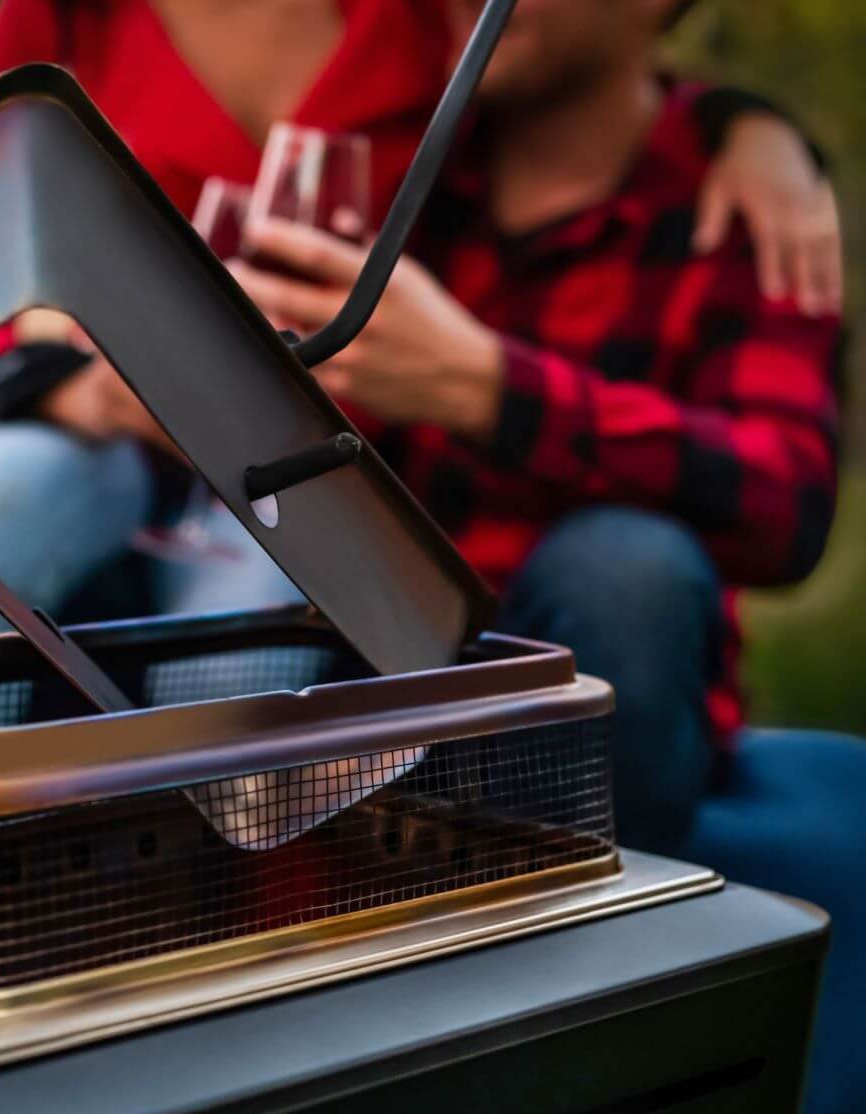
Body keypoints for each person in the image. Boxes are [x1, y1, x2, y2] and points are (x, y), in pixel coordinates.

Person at [0, 0, 842, 657]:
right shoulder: (466, 88)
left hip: (331, 523)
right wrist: (64, 382)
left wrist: (750, 129)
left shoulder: (431, 45)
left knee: (618, 572)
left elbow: (578, 62)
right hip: (126, 462)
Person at [225, 0, 843, 851]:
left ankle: (582, 948)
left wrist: (492, 390)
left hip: (596, 707)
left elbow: (786, 499)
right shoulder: (398, 159)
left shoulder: (744, 204)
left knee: (628, 567)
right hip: (356, 672)